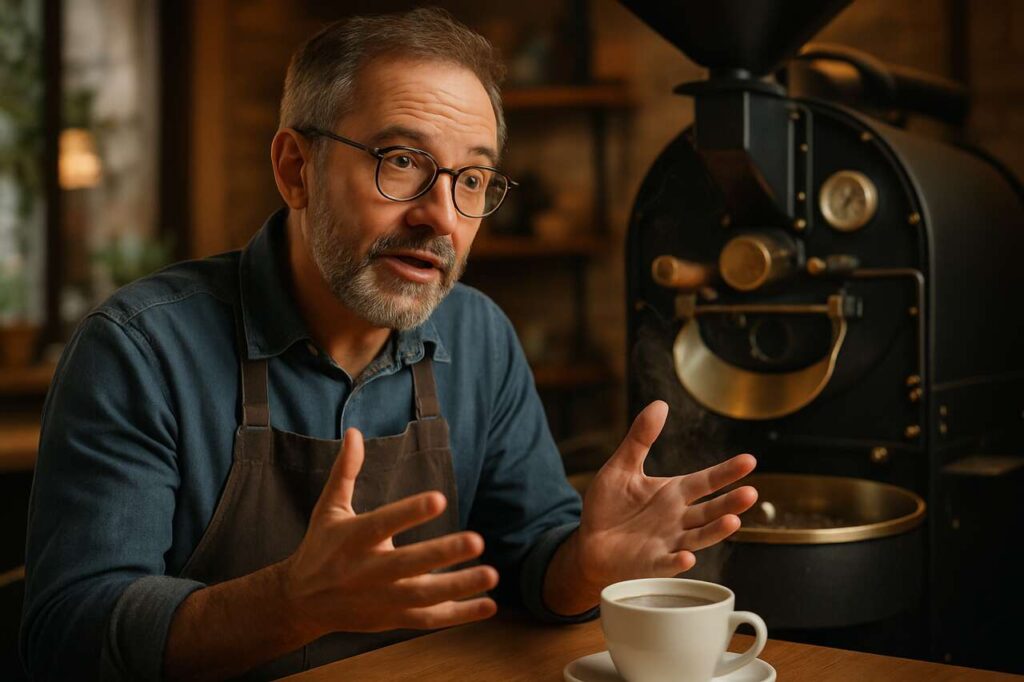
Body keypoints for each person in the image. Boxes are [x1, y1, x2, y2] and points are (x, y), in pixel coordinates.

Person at [20, 8, 758, 681]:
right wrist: (292, 602)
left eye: (471, 178)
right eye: (401, 161)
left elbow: (528, 554)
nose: (440, 216)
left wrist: (583, 566)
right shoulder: (139, 351)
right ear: (295, 169)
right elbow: (70, 635)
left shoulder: (479, 337)